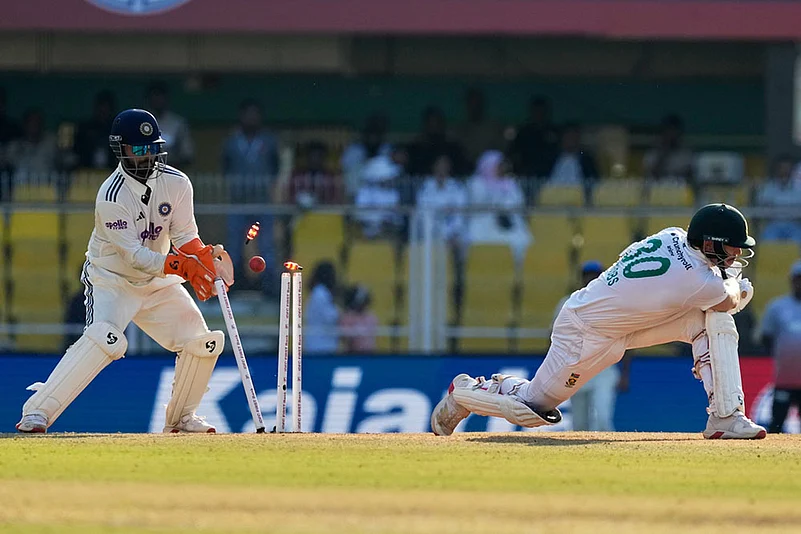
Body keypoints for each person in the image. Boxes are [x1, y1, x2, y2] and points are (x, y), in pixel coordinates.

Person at [431, 203, 767, 440]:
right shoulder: (697, 279)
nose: (736, 255)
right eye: (732, 249)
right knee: (531, 409)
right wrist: (736, 285)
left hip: (622, 325)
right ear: (709, 244)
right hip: (585, 331)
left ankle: (725, 416)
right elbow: (730, 300)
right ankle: (466, 392)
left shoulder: (673, 234)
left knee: (707, 322)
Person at [16, 109, 230, 434]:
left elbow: (185, 236)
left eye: (152, 148)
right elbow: (134, 257)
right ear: (121, 149)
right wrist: (182, 266)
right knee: (108, 339)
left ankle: (181, 420)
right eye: (139, 149)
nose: (147, 156)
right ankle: (37, 412)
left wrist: (201, 258)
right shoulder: (111, 196)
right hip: (112, 281)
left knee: (202, 342)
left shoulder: (177, 183)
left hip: (158, 283)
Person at [554, 261, 630, 431]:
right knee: (579, 424)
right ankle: (580, 457)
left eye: (595, 276)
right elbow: (555, 340)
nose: (591, 279)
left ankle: (608, 455)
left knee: (602, 418)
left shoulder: (615, 304)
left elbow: (628, 339)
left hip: (604, 371)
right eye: (587, 276)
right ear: (581, 278)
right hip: (575, 371)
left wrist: (625, 373)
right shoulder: (567, 303)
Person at [466, 150, 532, 263]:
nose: (501, 168)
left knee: (521, 240)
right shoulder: (476, 183)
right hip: (482, 223)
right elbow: (477, 203)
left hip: (508, 223)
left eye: (502, 165)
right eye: (498, 165)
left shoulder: (510, 183)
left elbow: (517, 202)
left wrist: (503, 207)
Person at [760, 260, 801, 433]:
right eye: (798, 279)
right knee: (777, 423)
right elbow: (766, 337)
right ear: (792, 281)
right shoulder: (777, 307)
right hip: (784, 378)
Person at [146, 82, 194, 167]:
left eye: (160, 97)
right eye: (155, 97)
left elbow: (187, 155)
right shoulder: (141, 121)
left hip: (171, 169)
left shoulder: (177, 123)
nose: (157, 101)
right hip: (143, 169)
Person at [304, 261, 340, 354]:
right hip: (321, 345)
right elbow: (331, 318)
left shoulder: (318, 293)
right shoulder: (321, 294)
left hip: (319, 342)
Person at [340, 284, 378, 353]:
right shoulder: (347, 317)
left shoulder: (371, 317)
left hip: (369, 354)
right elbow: (345, 339)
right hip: (352, 355)